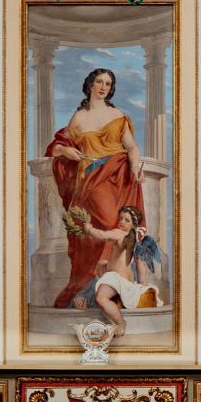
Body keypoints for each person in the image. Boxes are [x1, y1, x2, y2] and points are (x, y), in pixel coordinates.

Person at [45, 68, 144, 309]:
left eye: (108, 84)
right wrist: (66, 151)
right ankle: (90, 290)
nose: (103, 87)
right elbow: (58, 146)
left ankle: (111, 290)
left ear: (111, 89)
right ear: (90, 84)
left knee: (114, 224)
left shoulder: (116, 114)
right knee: (98, 230)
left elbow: (131, 147)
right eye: (99, 81)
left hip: (117, 175)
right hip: (91, 179)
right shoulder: (79, 118)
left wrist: (135, 168)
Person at [84, 207, 164, 337]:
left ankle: (120, 323)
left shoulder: (119, 233)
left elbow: (103, 235)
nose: (122, 222)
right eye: (121, 218)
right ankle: (115, 299)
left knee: (101, 298)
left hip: (115, 278)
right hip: (127, 281)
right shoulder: (137, 241)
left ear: (134, 224)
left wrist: (89, 229)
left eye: (127, 220)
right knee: (101, 263)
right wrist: (141, 284)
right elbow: (140, 264)